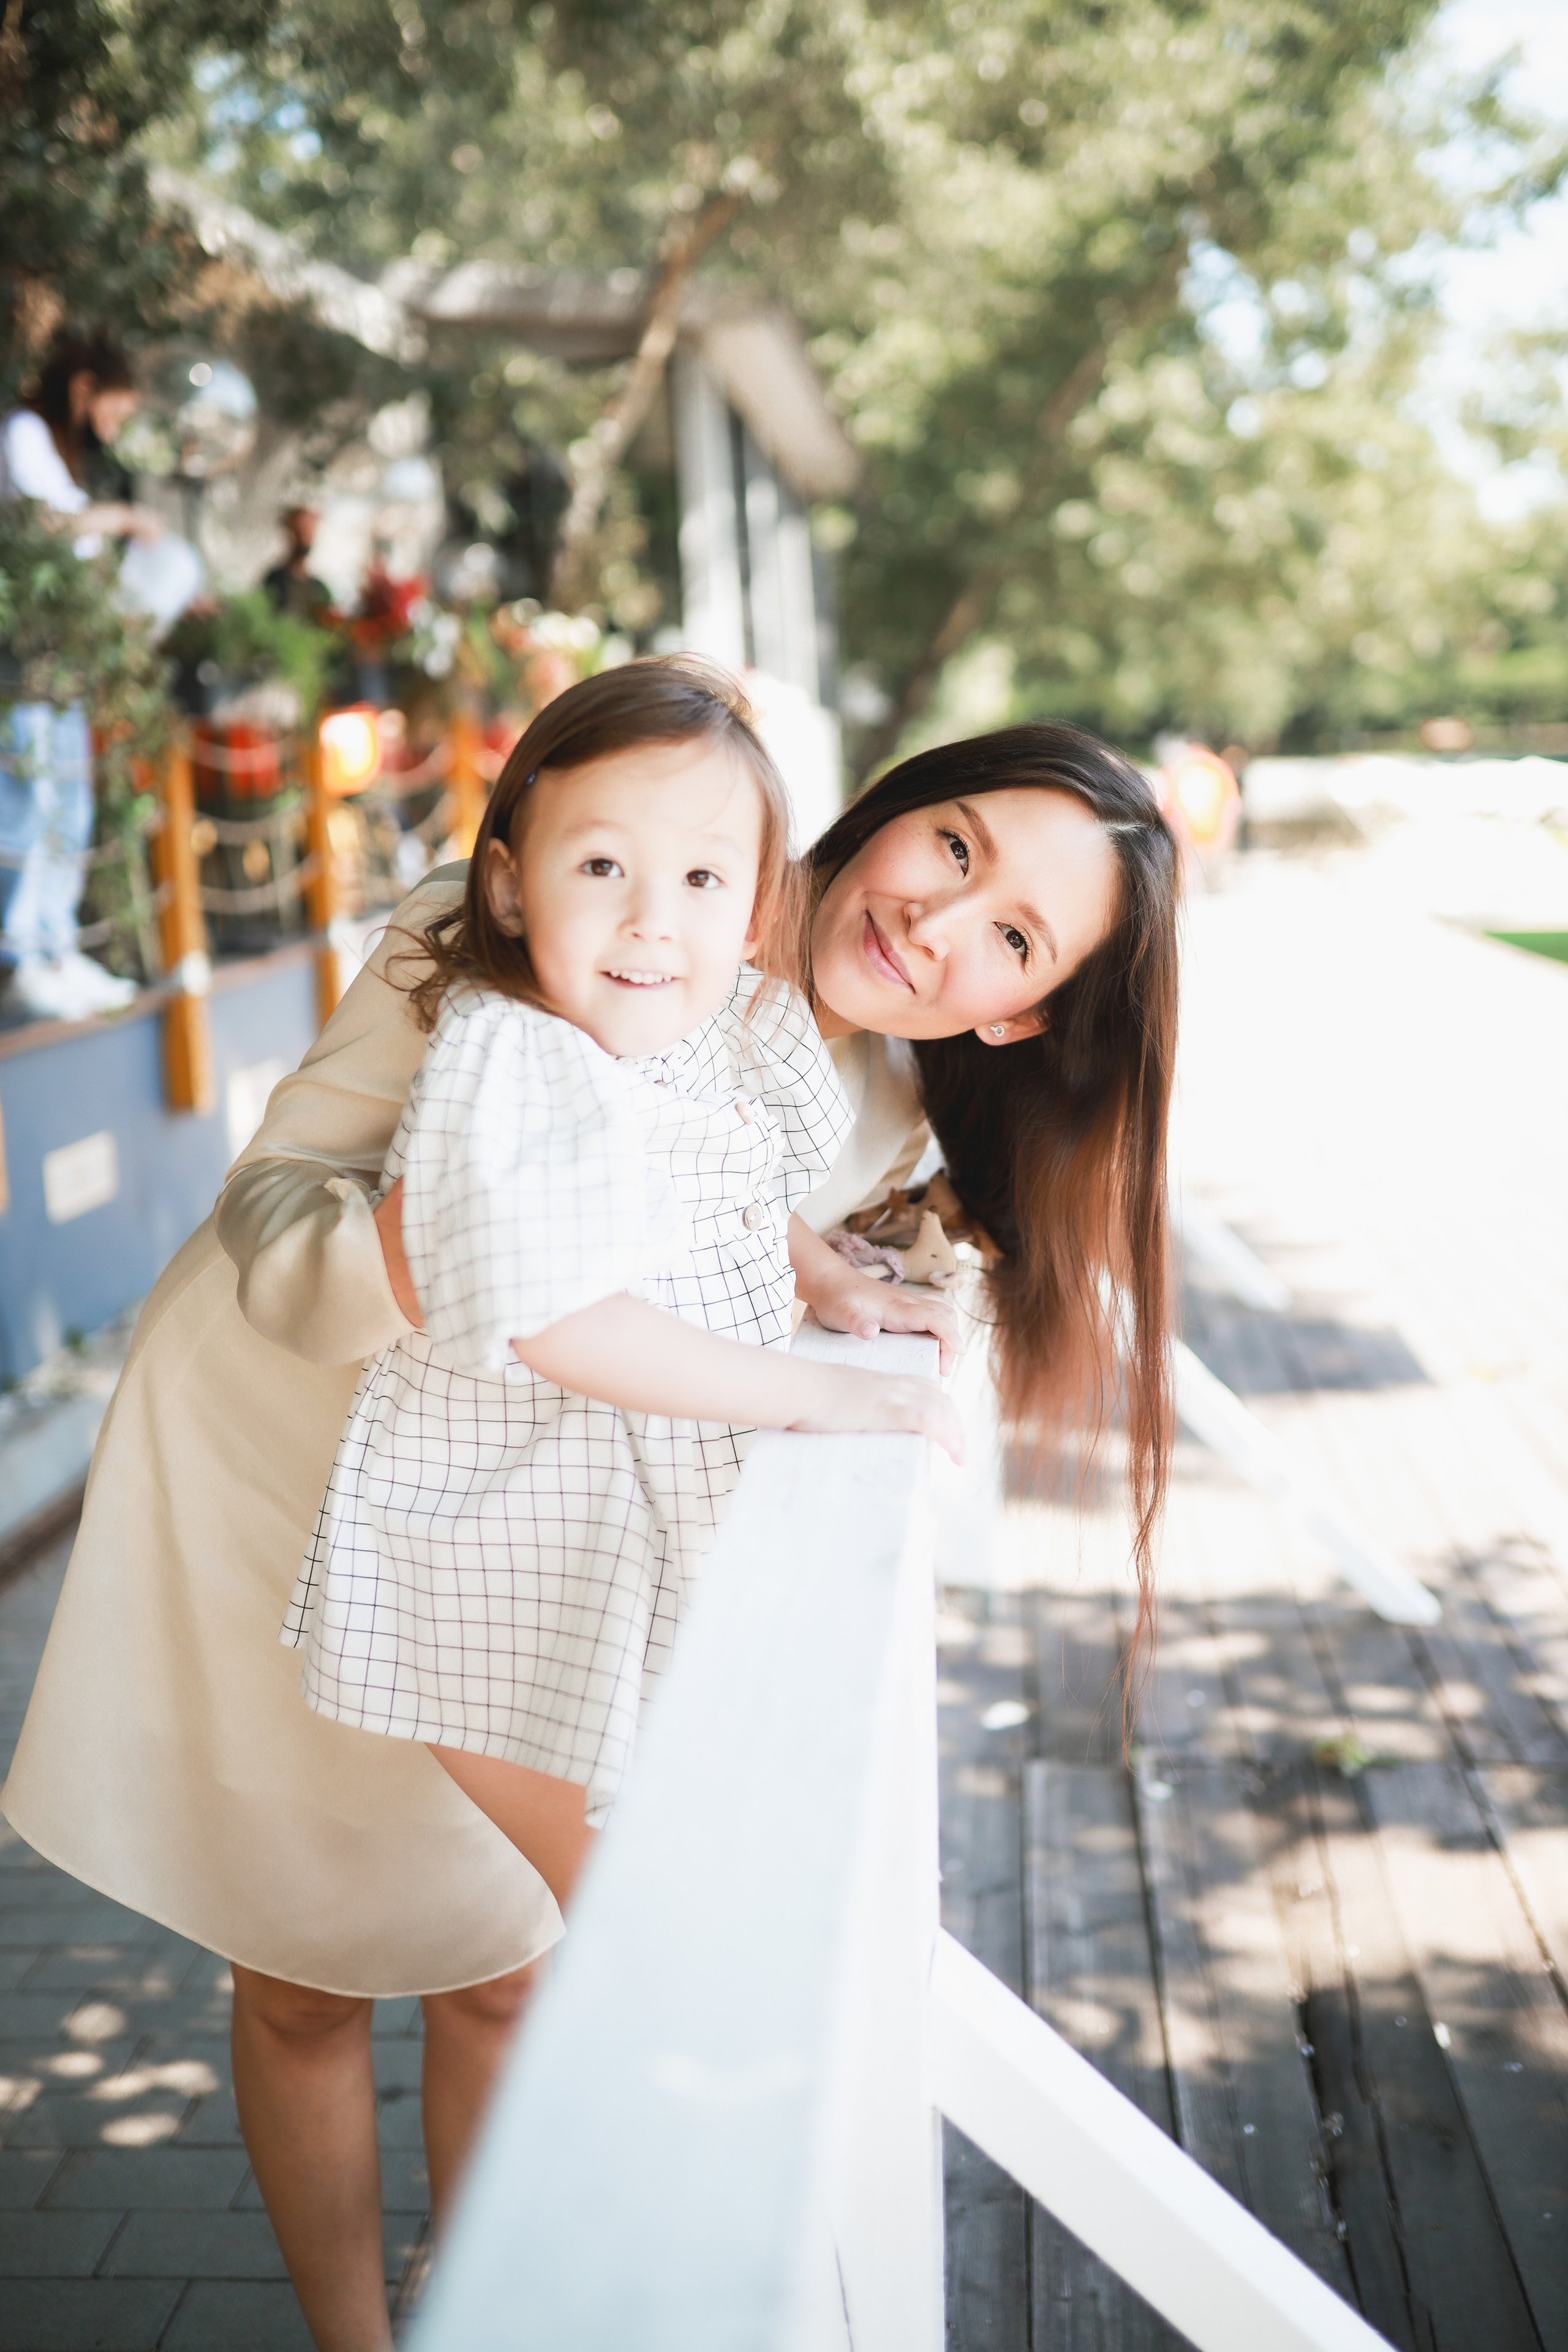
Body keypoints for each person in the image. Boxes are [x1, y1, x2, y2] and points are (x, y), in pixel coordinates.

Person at [3, 694, 1178, 2352]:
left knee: (502, 1966)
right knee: (301, 1971)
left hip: (518, 1539)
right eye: (958, 846)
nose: (932, 918)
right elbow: (277, 1196)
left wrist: (819, 1265)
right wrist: (435, 1252)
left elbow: (712, 1224)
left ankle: (472, 2314)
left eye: (1010, 936)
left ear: (1022, 1019)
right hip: (280, 1452)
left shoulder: (896, 1110)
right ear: (907, 803)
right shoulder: (553, 908)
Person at [285, 665, 959, 1910]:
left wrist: (826, 1275)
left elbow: (731, 1186)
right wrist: (814, 1393)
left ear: (756, 912)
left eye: (701, 880)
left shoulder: (722, 1026)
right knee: (631, 1903)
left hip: (624, 1519)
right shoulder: (515, 1054)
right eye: (601, 868)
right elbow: (554, 1318)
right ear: (507, 879)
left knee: (693, 1848)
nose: (652, 920)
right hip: (492, 1548)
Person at [0, 334, 165, 1022]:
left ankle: (57, 950)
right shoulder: (23, 432)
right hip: (23, 659)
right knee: (28, 803)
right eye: (115, 412)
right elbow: (43, 526)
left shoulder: (65, 456)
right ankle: (20, 957)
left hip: (65, 663)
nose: (114, 429)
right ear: (84, 388)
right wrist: (124, 518)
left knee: (71, 804)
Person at [263, 505, 334, 627]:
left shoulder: (319, 588)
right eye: (301, 530)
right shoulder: (276, 580)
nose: (306, 538)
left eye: (310, 531)